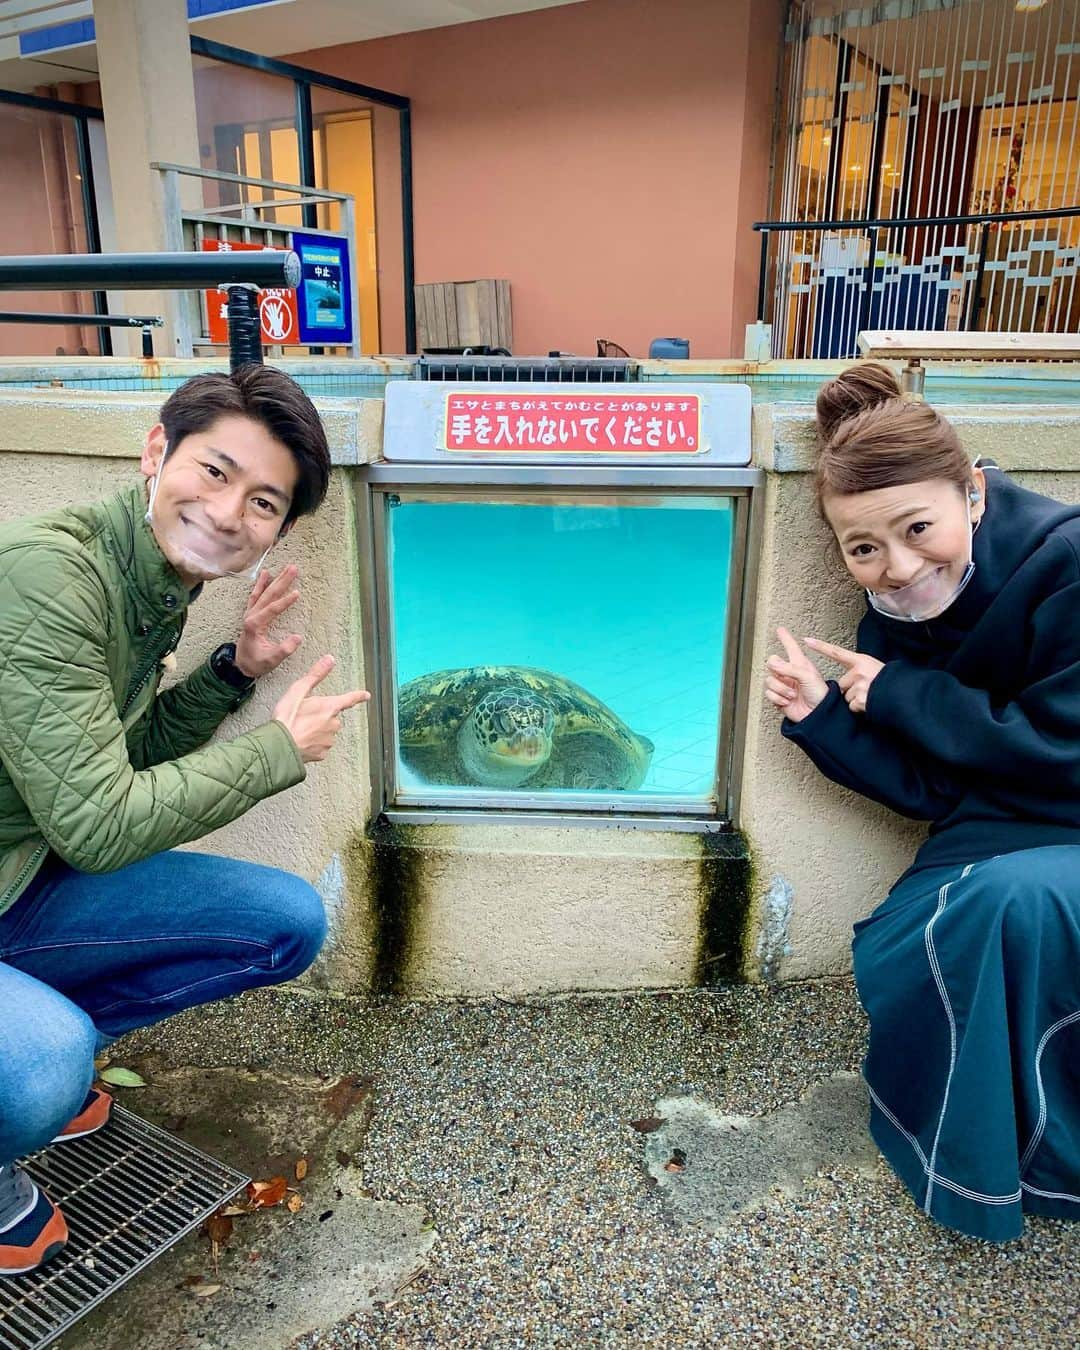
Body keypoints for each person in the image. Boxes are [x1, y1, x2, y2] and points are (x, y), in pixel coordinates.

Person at [0, 365, 369, 1275]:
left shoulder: (154, 579)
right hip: (39, 866)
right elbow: (99, 826)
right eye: (214, 471)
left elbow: (115, 761)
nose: (228, 512)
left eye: (262, 501)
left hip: (20, 879)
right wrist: (275, 752)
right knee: (46, 1065)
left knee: (284, 924)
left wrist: (232, 675)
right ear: (156, 451)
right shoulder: (52, 577)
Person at [764, 362, 1080, 1242]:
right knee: (934, 936)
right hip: (987, 835)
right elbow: (937, 787)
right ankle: (973, 1154)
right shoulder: (890, 617)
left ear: (972, 493)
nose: (898, 568)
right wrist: (826, 720)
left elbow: (1064, 748)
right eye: (864, 548)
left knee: (1015, 907)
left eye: (918, 529)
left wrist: (901, 695)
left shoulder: (1069, 563)